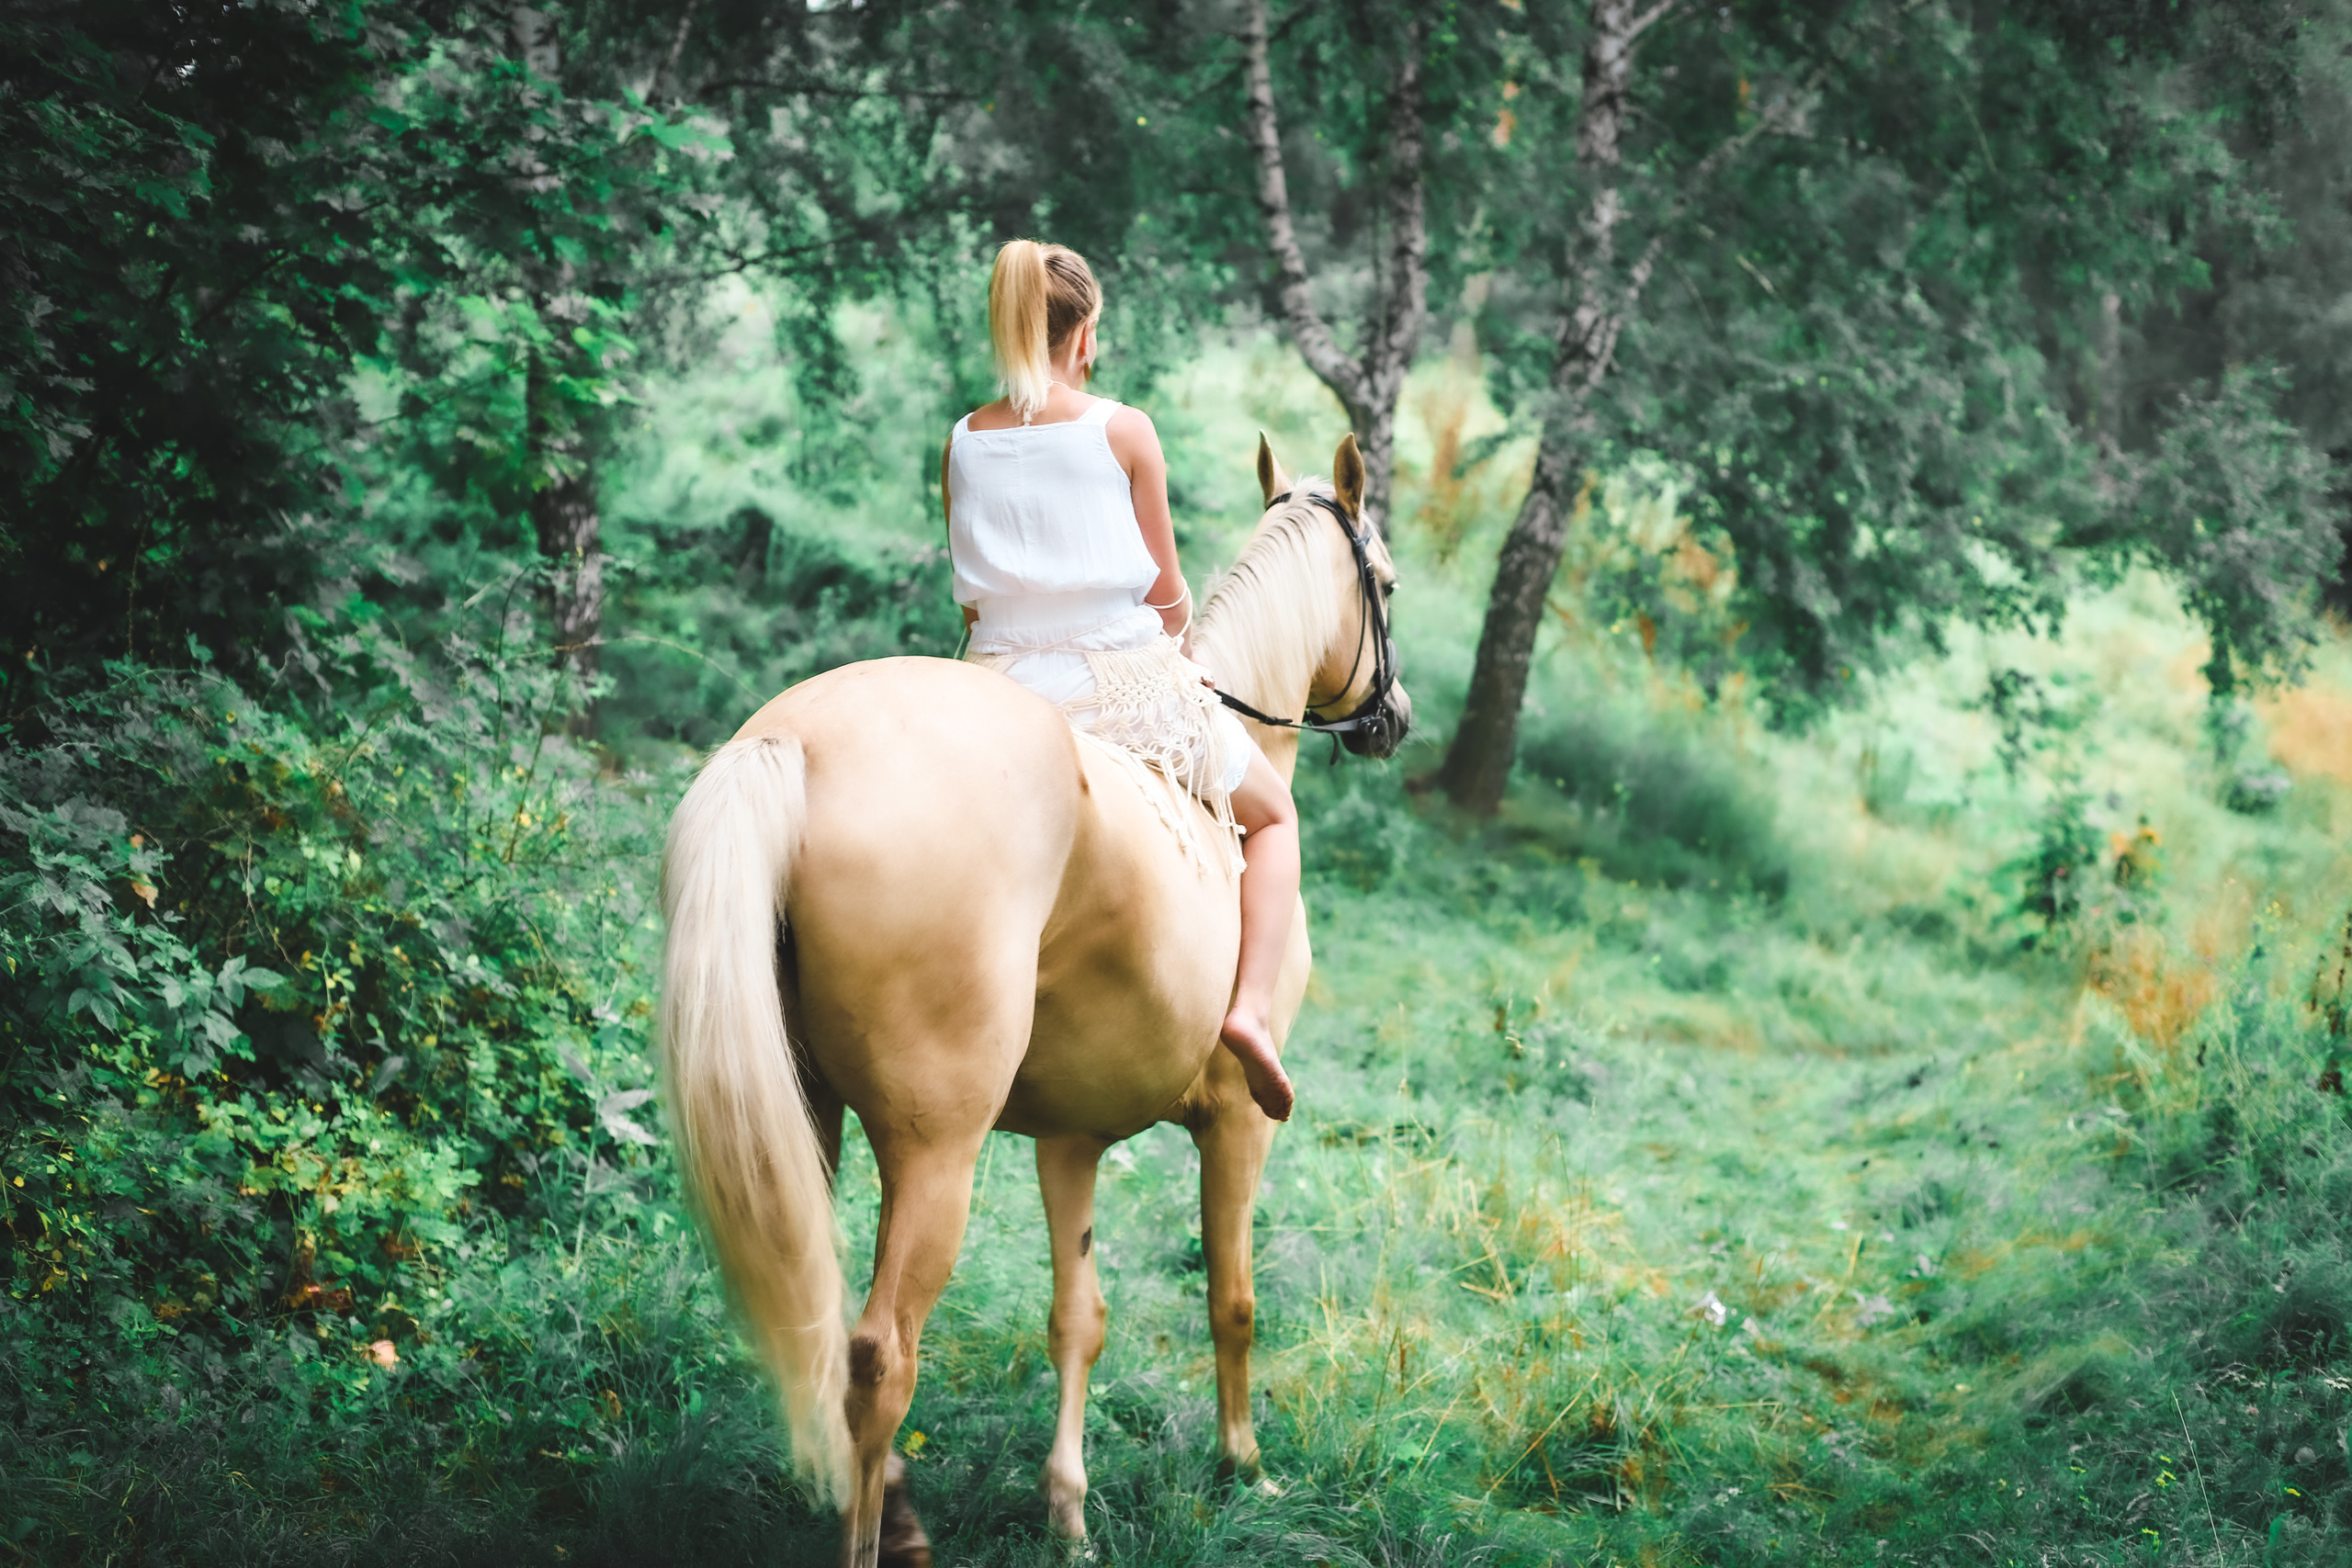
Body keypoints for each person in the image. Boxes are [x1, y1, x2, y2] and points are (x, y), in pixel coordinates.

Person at [940, 239, 1298, 1122]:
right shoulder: (1122, 429)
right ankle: (1248, 1012)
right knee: (1274, 814)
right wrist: (1185, 652)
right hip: (1118, 683)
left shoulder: (962, 439)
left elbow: (975, 602)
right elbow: (1166, 588)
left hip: (999, 685)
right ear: (1085, 333)